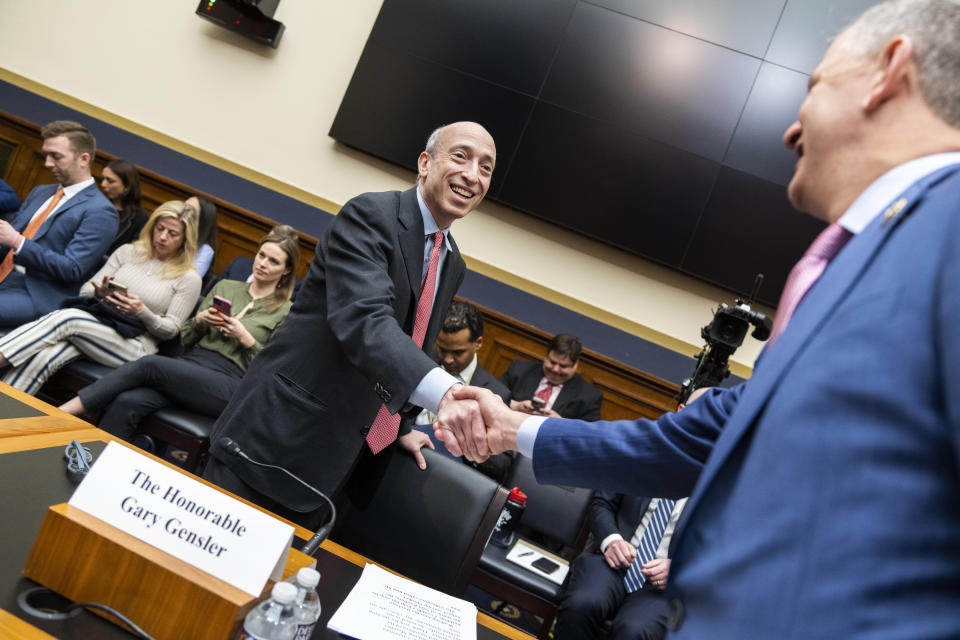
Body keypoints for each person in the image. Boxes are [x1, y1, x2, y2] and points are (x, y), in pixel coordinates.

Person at [436, 1, 960, 637]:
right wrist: (517, 428)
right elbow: (695, 439)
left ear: (889, 73)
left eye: (814, 88)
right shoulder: (867, 251)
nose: (793, 130)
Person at [202, 121, 497, 523]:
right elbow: (366, 322)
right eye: (460, 156)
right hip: (274, 443)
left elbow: (412, 339)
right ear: (425, 163)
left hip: (338, 464)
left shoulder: (452, 260)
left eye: (486, 167)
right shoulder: (371, 215)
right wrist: (445, 393)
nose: (472, 174)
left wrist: (402, 423)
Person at [57, 225, 299, 446]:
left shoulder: (287, 311)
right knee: (128, 402)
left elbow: (270, 370)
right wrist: (200, 322)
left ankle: (62, 415)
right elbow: (185, 339)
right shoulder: (227, 287)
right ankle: (93, 468)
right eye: (261, 255)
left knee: (149, 364)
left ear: (286, 270)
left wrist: (245, 338)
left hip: (231, 383)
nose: (263, 264)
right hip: (191, 366)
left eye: (274, 261)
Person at [0, 201, 200, 395]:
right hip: (96, 326)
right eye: (160, 228)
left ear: (185, 240)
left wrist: (142, 312)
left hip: (136, 345)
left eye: (172, 234)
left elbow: (171, 330)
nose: (163, 237)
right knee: (44, 355)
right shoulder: (128, 252)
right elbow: (85, 291)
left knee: (67, 318)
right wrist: (99, 293)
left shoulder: (189, 278)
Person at [0, 120, 118, 328]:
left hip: (36, 293)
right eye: (46, 155)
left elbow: (71, 268)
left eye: (56, 156)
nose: (47, 163)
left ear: (83, 159)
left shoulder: (101, 211)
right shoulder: (41, 192)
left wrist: (18, 242)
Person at [554, 493, 686, 640]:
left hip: (665, 587)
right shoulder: (640, 468)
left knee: (634, 631)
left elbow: (716, 553)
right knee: (581, 604)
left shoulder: (713, 486)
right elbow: (601, 503)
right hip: (613, 562)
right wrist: (611, 541)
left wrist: (681, 569)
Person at [414, 299, 513, 482]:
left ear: (478, 343)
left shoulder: (497, 392)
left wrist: (470, 442)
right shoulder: (419, 360)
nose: (448, 360)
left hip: (446, 478)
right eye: (442, 350)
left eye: (458, 352)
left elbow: (502, 465)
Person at [500, 333, 602, 420]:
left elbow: (589, 434)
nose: (555, 370)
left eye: (563, 366)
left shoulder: (589, 396)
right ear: (546, 357)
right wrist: (516, 406)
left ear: (575, 365)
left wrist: (560, 423)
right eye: (552, 362)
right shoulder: (519, 369)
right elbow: (493, 395)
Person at [99, 158, 148, 258]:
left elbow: (131, 254)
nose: (103, 184)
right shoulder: (96, 204)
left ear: (127, 186)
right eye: (103, 179)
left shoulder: (140, 219)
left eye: (110, 181)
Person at [185, 195, 217, 277]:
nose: (182, 212)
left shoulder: (205, 251)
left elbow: (191, 280)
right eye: (183, 206)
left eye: (189, 211)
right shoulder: (167, 233)